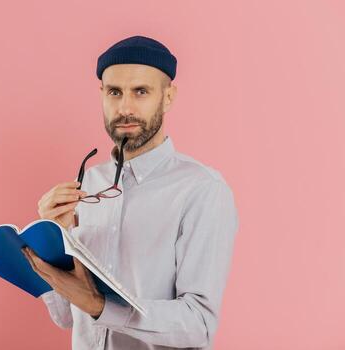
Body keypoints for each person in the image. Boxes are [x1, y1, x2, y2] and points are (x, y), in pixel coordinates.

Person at [21, 35, 239, 350]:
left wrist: (100, 306)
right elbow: (67, 317)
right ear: (102, 95)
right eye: (115, 92)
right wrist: (53, 238)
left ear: (167, 97)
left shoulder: (203, 191)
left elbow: (199, 325)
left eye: (140, 92)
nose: (125, 108)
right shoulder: (88, 184)